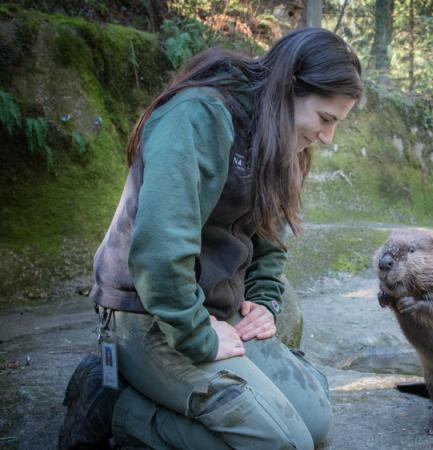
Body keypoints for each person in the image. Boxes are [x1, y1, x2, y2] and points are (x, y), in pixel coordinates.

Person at [58, 27, 362, 450]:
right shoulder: (198, 116)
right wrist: (197, 334)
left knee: (315, 422)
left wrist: (264, 300)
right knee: (282, 445)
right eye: (325, 119)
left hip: (219, 312)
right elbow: (160, 254)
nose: (327, 138)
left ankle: (159, 397)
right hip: (152, 317)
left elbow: (270, 241)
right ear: (289, 87)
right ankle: (118, 410)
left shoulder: (277, 136)